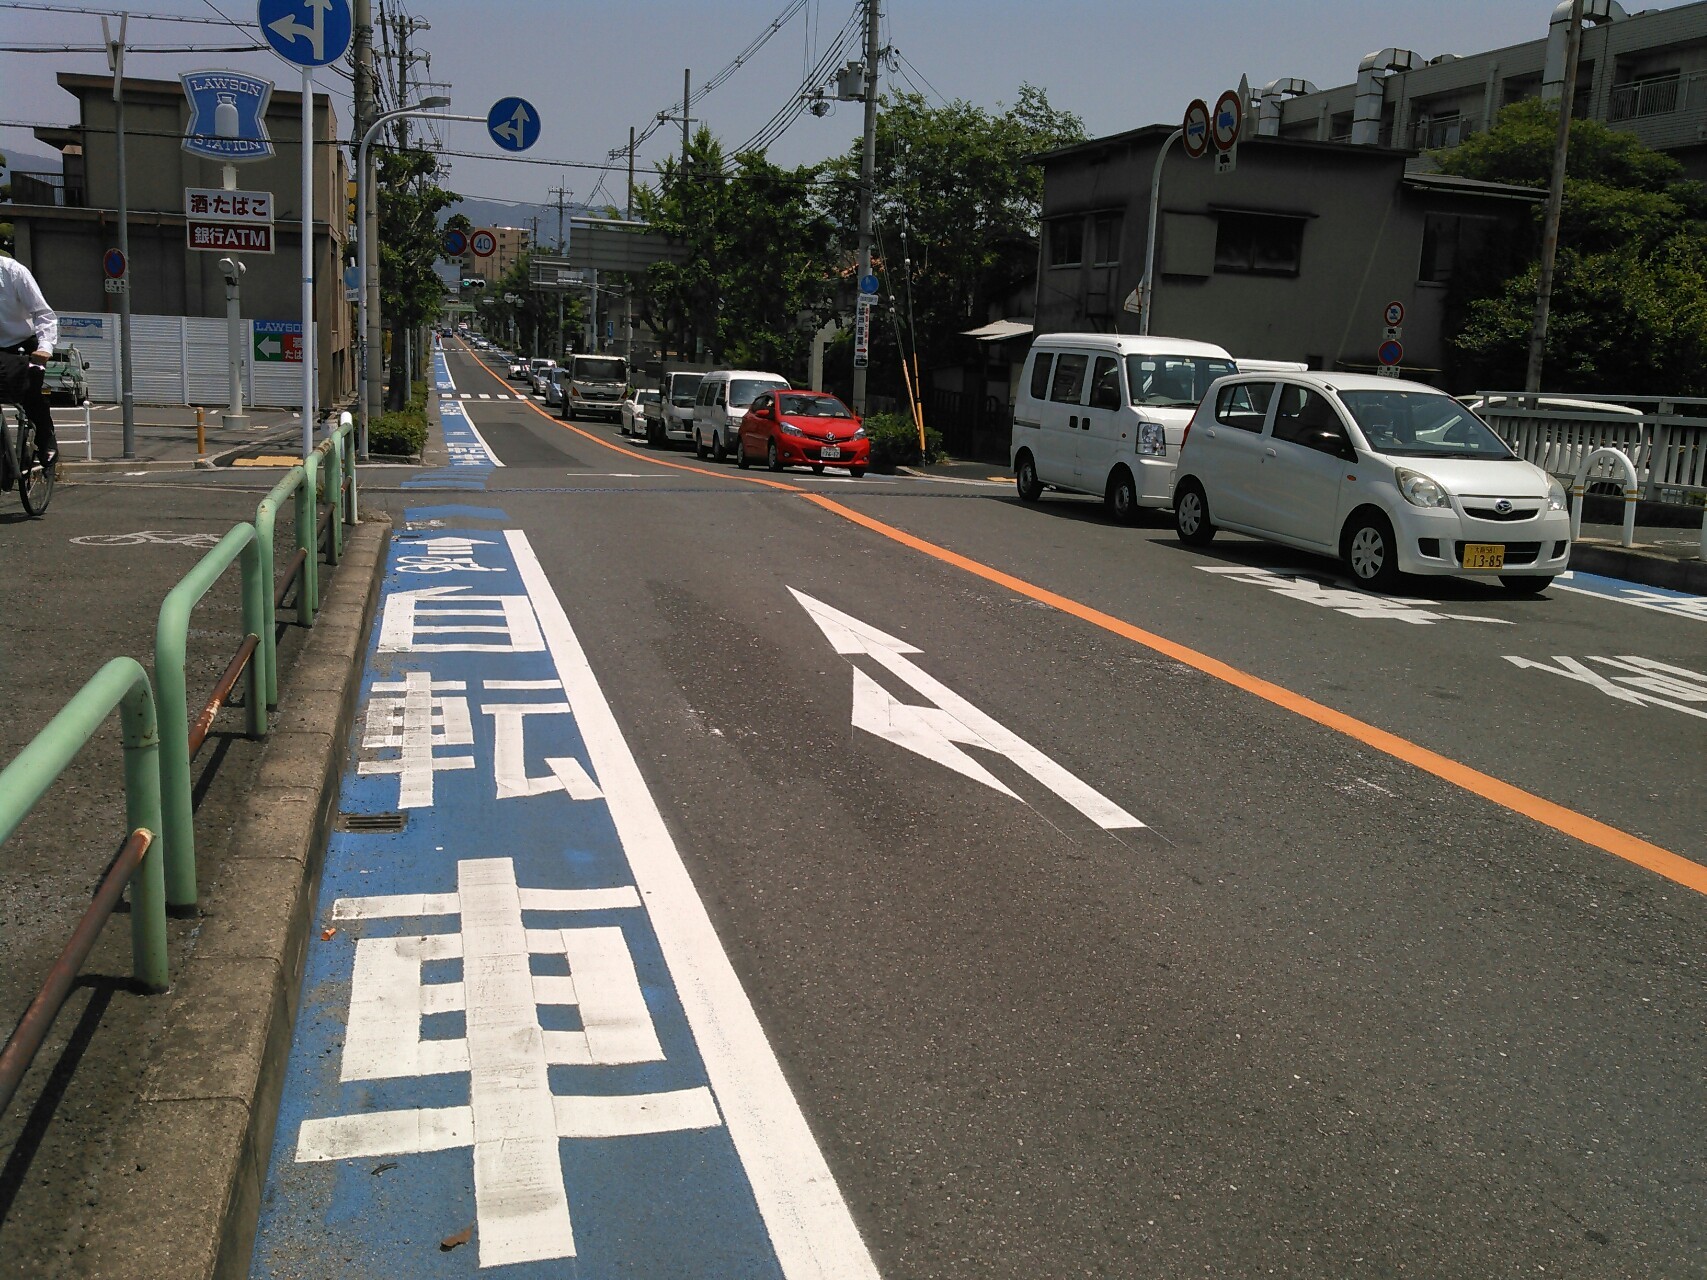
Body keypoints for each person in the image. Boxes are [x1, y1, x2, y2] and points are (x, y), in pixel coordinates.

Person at [0, 252, 59, 466]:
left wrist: (45, 348)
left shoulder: (13, 272)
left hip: (22, 343)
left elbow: (43, 314)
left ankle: (45, 437)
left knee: (30, 389)